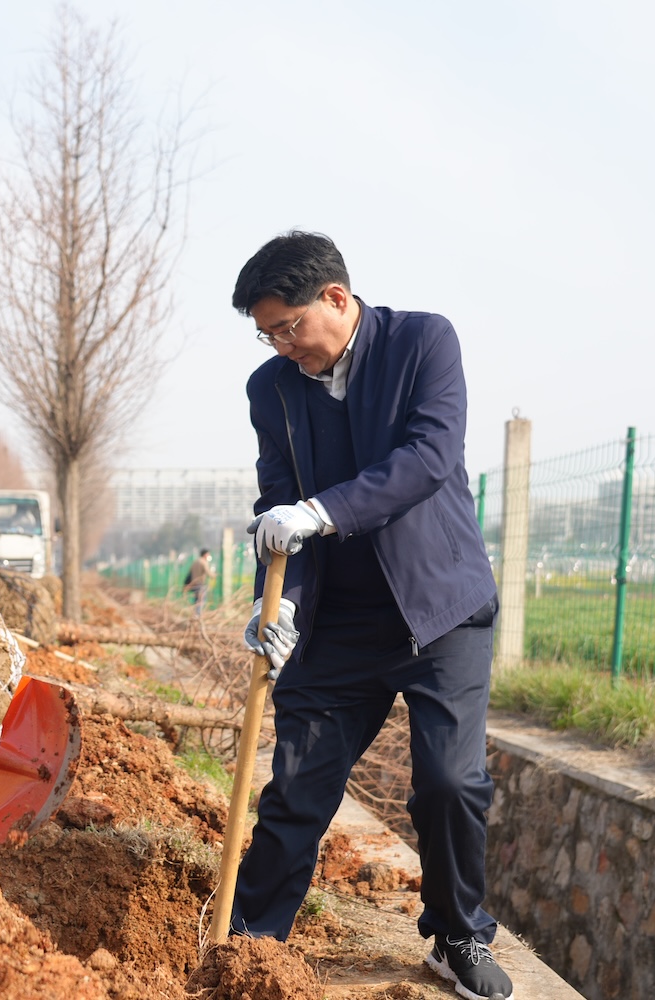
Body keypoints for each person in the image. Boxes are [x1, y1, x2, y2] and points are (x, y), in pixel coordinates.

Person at [230, 232, 511, 1000]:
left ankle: (457, 938)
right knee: (297, 787)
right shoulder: (272, 390)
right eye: (268, 334)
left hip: (440, 609)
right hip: (342, 624)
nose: (284, 347)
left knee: (450, 784)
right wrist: (278, 598)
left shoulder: (423, 342)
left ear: (336, 299)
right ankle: (250, 943)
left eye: (290, 326)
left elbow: (427, 457)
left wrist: (320, 512)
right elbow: (276, 502)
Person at [182, 548, 213, 617]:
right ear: (205, 555)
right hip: (200, 584)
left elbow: (190, 572)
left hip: (194, 584)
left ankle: (195, 614)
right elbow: (208, 572)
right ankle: (197, 615)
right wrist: (214, 575)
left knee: (196, 600)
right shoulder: (203, 562)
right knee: (201, 600)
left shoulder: (195, 562)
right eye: (208, 554)